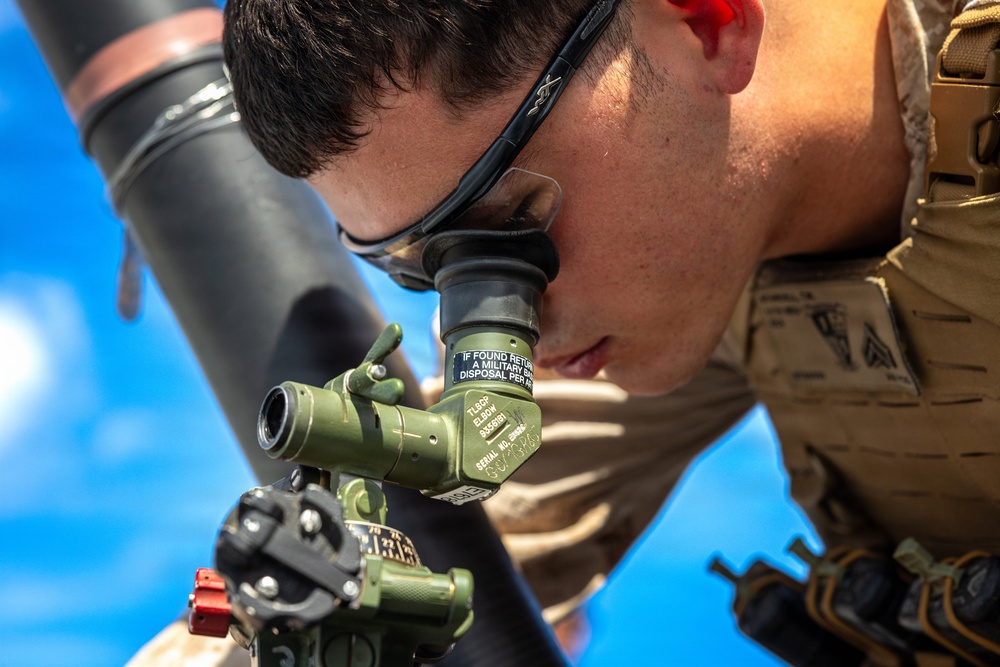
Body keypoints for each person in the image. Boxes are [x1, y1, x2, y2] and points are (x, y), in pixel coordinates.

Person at [132, 0, 1000, 664]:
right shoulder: (696, 233)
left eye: (507, 231)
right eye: (421, 270)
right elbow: (445, 538)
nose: (518, 328)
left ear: (705, 22)